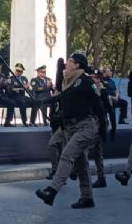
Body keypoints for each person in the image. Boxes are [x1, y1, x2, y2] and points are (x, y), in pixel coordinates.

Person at [36, 52, 106, 208]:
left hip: (85, 126)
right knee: (81, 164)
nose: (67, 63)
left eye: (70, 61)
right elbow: (62, 98)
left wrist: (103, 128)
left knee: (67, 155)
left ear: (77, 65)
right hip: (69, 127)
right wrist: (43, 101)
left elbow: (98, 104)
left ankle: (52, 190)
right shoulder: (68, 81)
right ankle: (87, 197)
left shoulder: (86, 81)